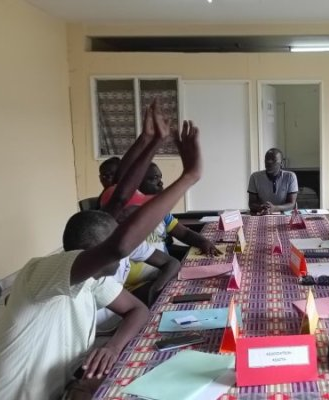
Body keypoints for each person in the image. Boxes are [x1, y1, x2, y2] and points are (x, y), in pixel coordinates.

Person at [0, 102, 204, 399]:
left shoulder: (93, 280)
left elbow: (137, 309)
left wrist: (112, 348)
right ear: (94, 251)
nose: (126, 251)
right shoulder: (41, 273)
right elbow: (118, 244)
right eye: (113, 247)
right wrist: (189, 176)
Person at [248, 148, 298, 215]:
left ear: (281, 163)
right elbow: (251, 203)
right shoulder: (255, 177)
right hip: (263, 214)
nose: (269, 162)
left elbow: (292, 204)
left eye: (273, 160)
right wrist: (261, 207)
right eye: (267, 159)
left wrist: (275, 208)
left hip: (284, 215)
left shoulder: (290, 176)